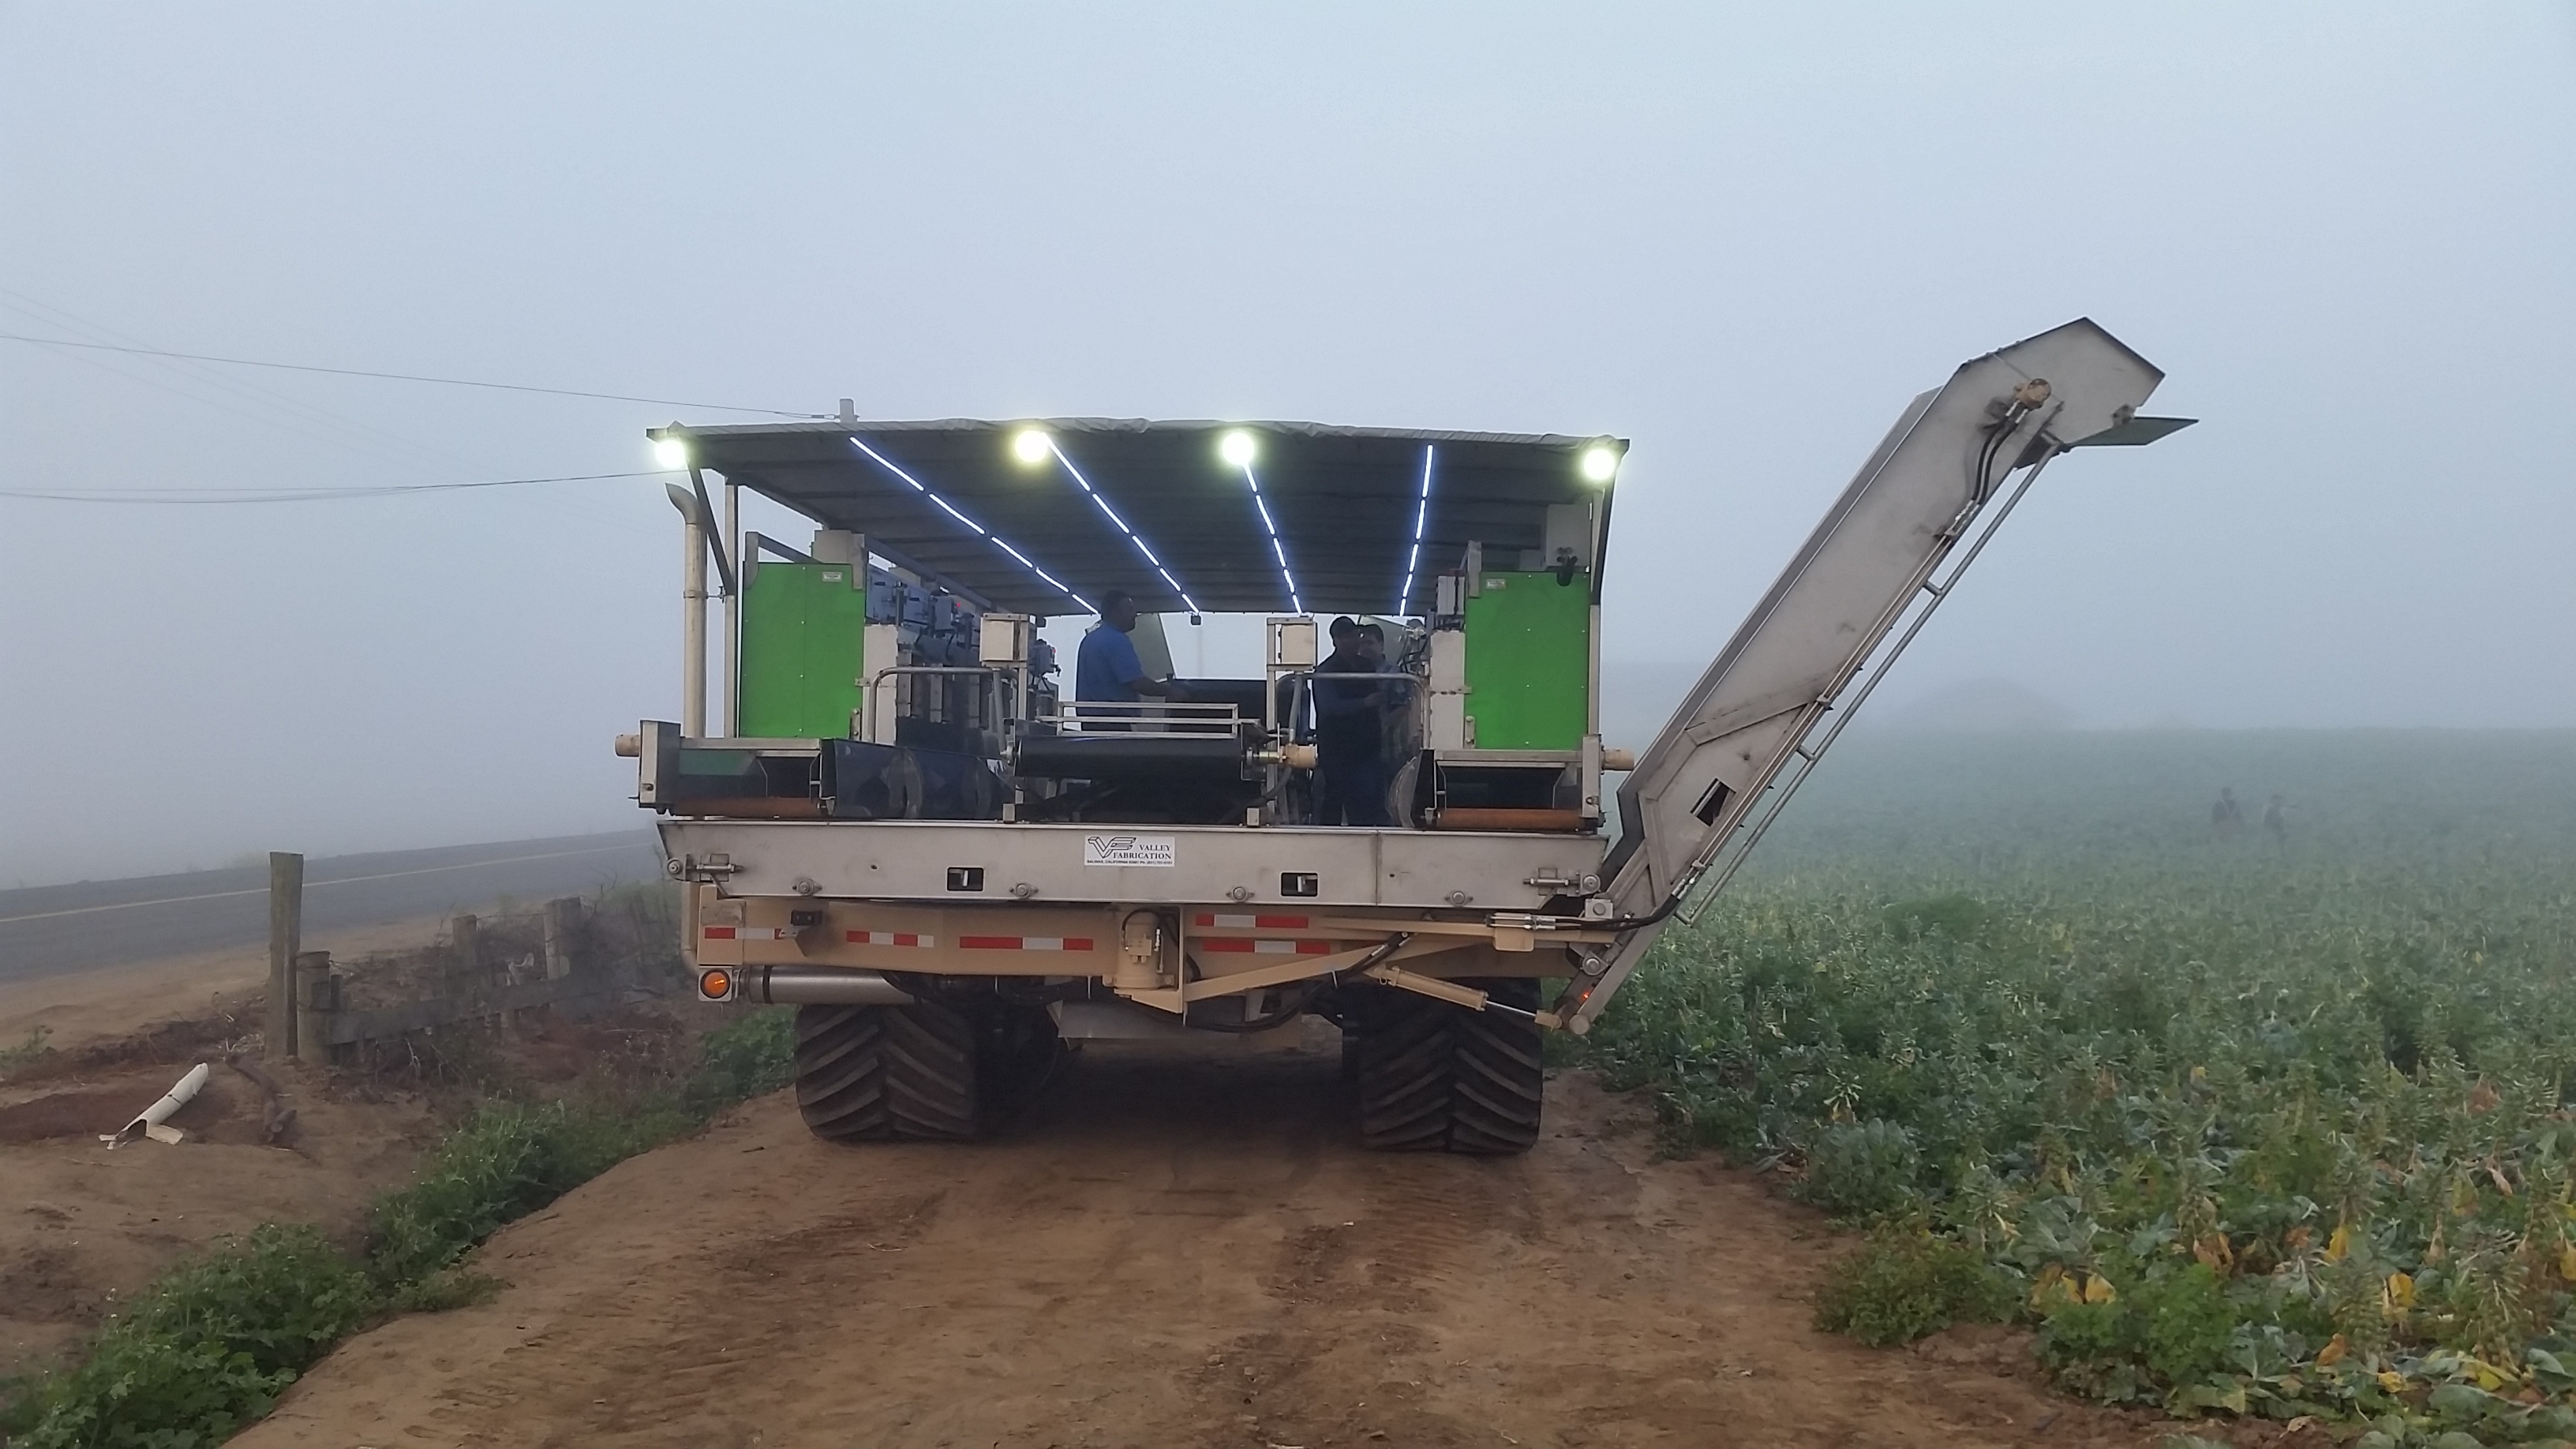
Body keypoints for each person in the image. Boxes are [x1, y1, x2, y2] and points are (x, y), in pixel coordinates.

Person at [1313, 622, 1389, 826]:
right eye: (1348, 637)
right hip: (1337, 748)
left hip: (1367, 747)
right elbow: (1329, 707)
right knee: (1334, 798)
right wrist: (1364, 703)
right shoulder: (1325, 671)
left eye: (1356, 635)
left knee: (1367, 799)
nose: (1354, 641)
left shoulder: (1367, 667)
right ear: (1336, 640)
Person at [1074, 590, 1183, 728]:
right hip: (1112, 724)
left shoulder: (1089, 640)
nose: (1135, 614)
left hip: (1090, 724)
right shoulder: (1116, 640)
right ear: (1115, 613)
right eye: (1130, 609)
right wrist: (1171, 691)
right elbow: (1138, 683)